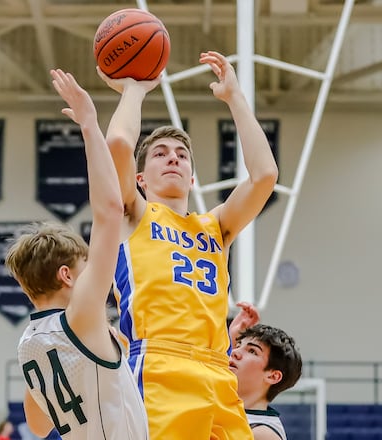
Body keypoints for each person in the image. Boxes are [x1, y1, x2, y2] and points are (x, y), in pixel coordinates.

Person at [99, 50, 279, 439]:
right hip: (159, 365)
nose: (173, 159)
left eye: (182, 155)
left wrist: (235, 97)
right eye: (160, 154)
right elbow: (116, 143)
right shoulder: (135, 214)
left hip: (216, 372)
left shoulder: (215, 226)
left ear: (193, 178)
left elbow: (265, 175)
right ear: (141, 179)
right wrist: (133, 90)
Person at [5, 68, 147, 440]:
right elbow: (110, 211)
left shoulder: (28, 345)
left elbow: (38, 426)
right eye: (86, 269)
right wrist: (89, 124)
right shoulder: (81, 317)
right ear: (66, 275)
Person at [228, 303, 304, 440]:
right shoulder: (228, 409)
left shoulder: (264, 434)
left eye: (252, 351)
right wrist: (232, 336)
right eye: (238, 346)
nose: (235, 352)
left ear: (273, 376)